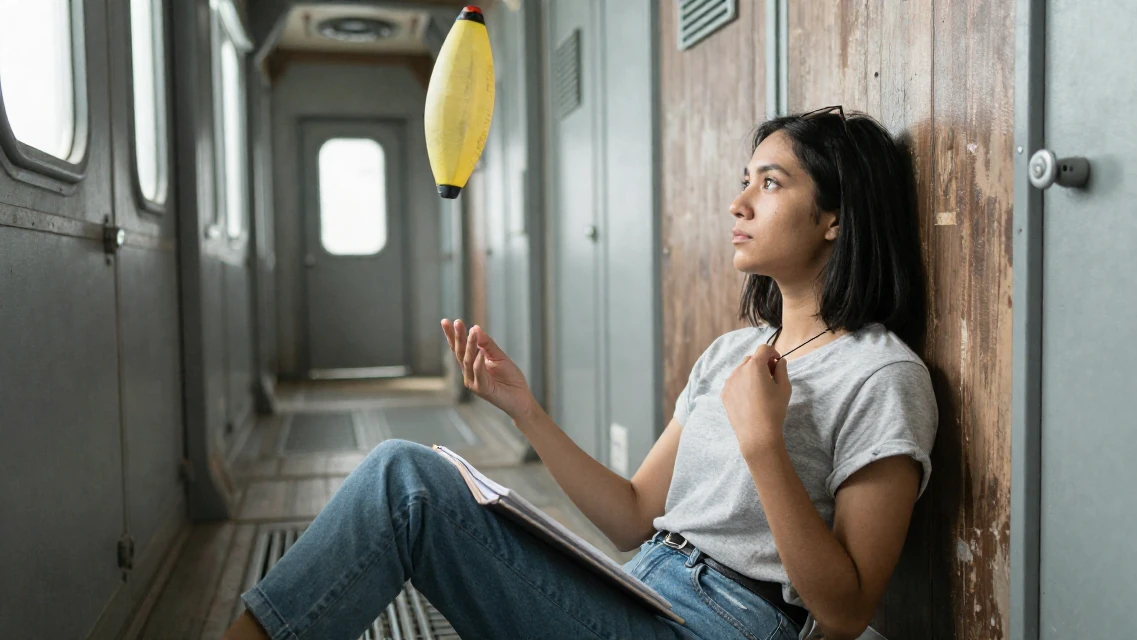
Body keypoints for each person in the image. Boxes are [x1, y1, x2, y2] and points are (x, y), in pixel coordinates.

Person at [223, 107, 937, 640]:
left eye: (770, 183)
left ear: (835, 219)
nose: (739, 203)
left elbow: (845, 611)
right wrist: (524, 411)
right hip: (636, 588)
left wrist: (764, 444)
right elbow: (631, 515)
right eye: (743, 180)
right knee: (413, 483)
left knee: (400, 483)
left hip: (721, 624)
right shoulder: (729, 353)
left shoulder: (882, 375)